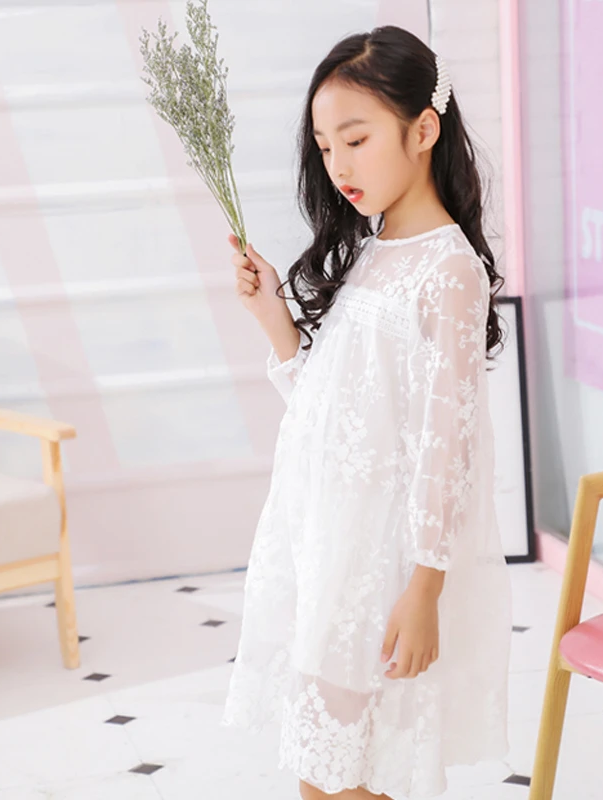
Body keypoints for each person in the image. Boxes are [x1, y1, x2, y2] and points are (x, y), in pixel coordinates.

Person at [222, 25, 513, 800]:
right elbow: (331, 413)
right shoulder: (373, 253)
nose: (340, 166)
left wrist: (425, 590)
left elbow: (447, 447)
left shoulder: (448, 272)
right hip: (329, 546)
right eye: (325, 147)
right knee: (324, 771)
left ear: (424, 130)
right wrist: (274, 319)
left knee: (347, 776)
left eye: (356, 140)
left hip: (382, 565)